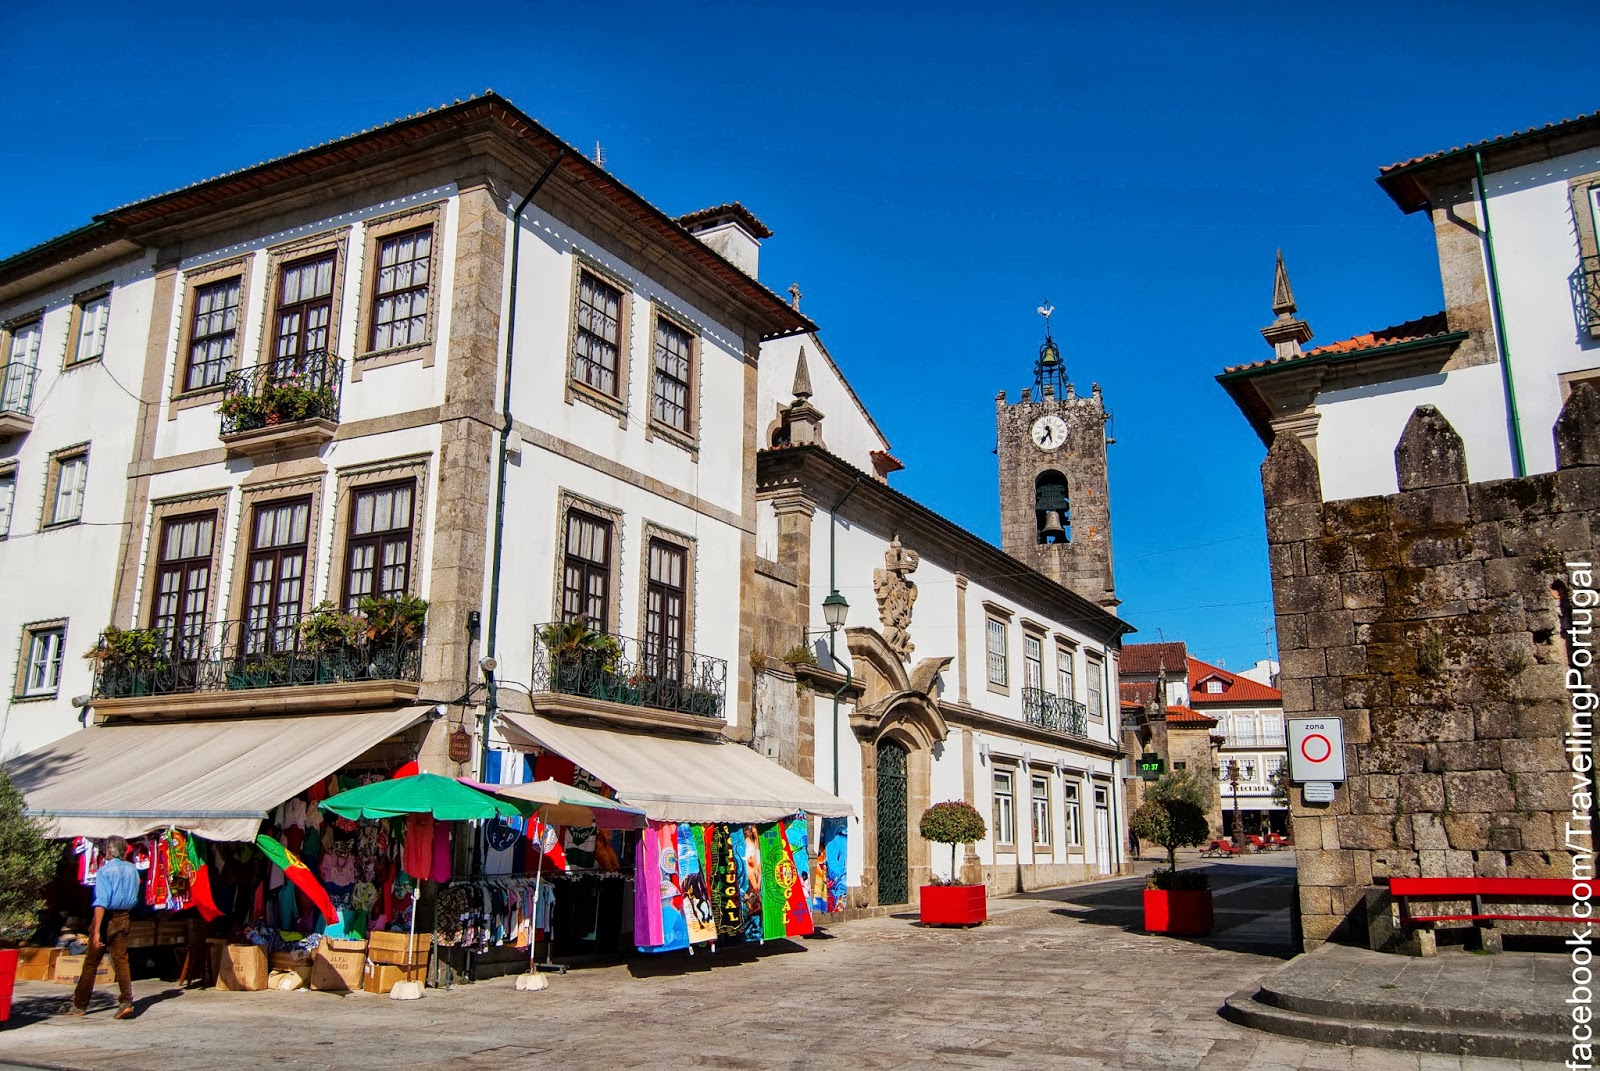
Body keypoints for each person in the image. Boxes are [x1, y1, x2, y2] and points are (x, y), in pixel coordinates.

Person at [70, 835, 139, 1019]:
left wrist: (96, 931)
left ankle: (79, 1004)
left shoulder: (104, 871)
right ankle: (126, 1001)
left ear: (109, 850)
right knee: (122, 961)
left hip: (108, 917)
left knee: (92, 962)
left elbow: (101, 902)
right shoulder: (133, 870)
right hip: (125, 917)